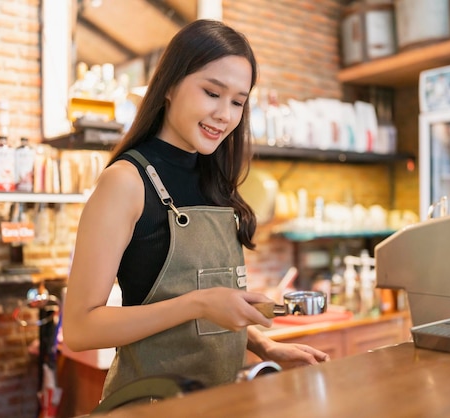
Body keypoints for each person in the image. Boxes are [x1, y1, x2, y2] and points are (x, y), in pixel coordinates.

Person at [63, 19, 330, 401]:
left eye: (238, 101)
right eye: (211, 92)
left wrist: (264, 347)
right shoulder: (126, 181)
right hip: (148, 404)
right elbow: (80, 328)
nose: (225, 114)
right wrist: (199, 303)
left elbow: (205, 309)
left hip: (215, 403)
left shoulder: (214, 180)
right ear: (170, 85)